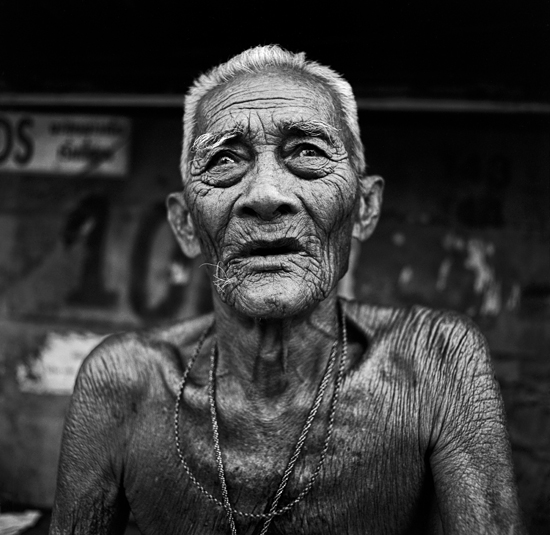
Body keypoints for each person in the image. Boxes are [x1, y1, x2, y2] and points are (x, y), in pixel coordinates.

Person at [50, 45, 524, 535]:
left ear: (364, 208)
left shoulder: (437, 362)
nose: (265, 196)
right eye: (225, 160)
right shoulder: (124, 381)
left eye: (307, 153)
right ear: (186, 224)